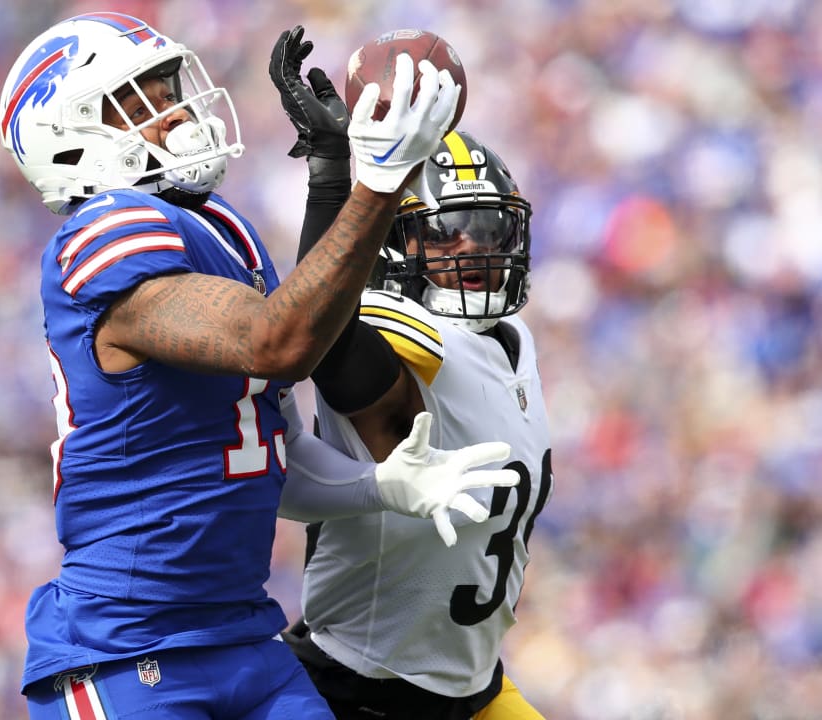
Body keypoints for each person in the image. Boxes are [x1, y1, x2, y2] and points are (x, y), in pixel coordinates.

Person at [0, 13, 521, 720]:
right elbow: (277, 343)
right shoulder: (103, 229)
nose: (175, 110)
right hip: (126, 646)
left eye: (169, 88)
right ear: (67, 139)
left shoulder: (223, 228)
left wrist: (379, 487)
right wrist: (379, 179)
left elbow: (272, 453)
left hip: (244, 636)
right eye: (142, 100)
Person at [269, 27, 554, 720]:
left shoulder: (512, 338)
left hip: (476, 684)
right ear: (396, 239)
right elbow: (326, 343)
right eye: (447, 230)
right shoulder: (411, 331)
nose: (472, 248)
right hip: (363, 689)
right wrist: (337, 176)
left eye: (489, 231)